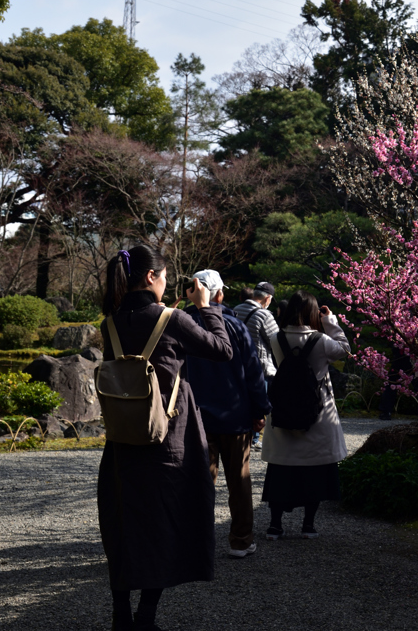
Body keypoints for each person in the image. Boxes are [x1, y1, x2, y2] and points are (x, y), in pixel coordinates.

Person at [97, 246, 233, 631]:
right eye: (165, 276)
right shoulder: (170, 319)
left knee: (123, 523)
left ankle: (120, 615)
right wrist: (207, 307)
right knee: (165, 522)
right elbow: (222, 350)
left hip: (123, 438)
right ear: (150, 278)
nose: (168, 282)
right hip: (168, 439)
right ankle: (146, 617)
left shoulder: (110, 321)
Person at [183, 269, 270, 560]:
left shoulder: (181, 325)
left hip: (196, 419)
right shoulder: (234, 326)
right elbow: (253, 373)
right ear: (219, 294)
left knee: (200, 483)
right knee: (239, 481)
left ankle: (196, 541)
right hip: (235, 415)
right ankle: (241, 541)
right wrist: (260, 410)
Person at [261, 290, 350, 539]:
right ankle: (308, 525)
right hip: (316, 415)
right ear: (313, 314)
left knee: (280, 471)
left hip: (284, 411)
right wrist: (330, 321)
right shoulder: (321, 340)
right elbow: (344, 349)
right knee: (315, 471)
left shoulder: (275, 337)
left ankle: (275, 525)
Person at [233, 281, 279, 450]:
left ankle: (244, 435)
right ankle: (254, 438)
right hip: (259, 365)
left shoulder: (235, 309)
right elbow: (276, 341)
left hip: (236, 365)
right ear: (267, 298)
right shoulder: (264, 315)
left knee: (241, 400)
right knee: (258, 401)